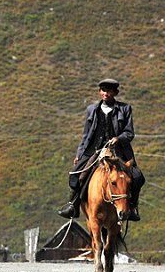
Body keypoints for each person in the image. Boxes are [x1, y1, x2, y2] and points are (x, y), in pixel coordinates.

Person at [58, 78, 145, 221]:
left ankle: (132, 208)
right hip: (95, 150)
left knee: (137, 177)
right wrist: (80, 154)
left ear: (115, 92)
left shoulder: (125, 109)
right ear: (100, 92)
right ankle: (72, 205)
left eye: (110, 91)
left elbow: (129, 133)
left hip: (118, 151)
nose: (106, 93)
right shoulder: (91, 110)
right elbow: (86, 134)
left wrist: (119, 138)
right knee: (76, 173)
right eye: (104, 90)